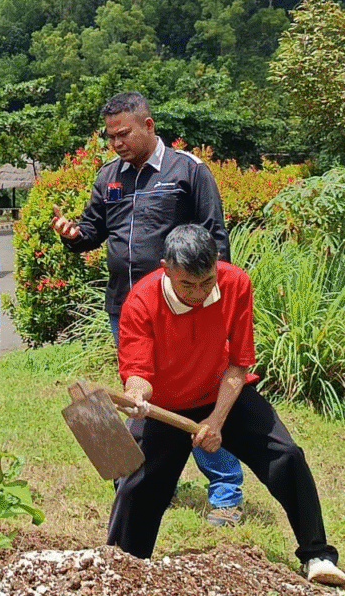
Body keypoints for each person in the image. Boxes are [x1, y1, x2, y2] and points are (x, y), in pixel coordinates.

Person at [107, 223, 345, 588]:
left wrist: (216, 421)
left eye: (206, 281)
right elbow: (138, 372)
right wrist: (137, 396)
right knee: (135, 484)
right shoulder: (141, 300)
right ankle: (121, 570)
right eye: (187, 284)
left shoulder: (235, 283)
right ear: (165, 268)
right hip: (165, 404)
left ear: (216, 263)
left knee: (286, 456)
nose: (199, 293)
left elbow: (238, 363)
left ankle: (317, 555)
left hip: (222, 393)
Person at [51, 91, 244, 525]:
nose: (116, 143)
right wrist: (71, 234)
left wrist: (211, 305)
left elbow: (215, 241)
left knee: (198, 395)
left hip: (183, 309)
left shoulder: (188, 171)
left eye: (123, 134)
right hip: (127, 309)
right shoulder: (109, 176)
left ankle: (226, 492)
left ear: (148, 125)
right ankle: (157, 480)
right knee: (142, 398)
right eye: (110, 137)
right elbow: (92, 232)